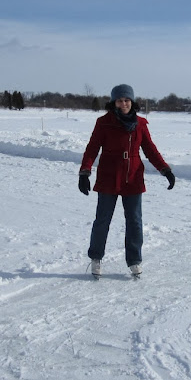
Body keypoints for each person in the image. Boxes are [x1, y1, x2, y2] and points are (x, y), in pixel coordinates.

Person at [78, 84, 175, 279]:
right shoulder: (103, 122)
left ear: (132, 101)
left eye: (127, 100)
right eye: (120, 100)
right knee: (102, 220)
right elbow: (92, 149)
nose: (123, 103)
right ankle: (96, 258)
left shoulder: (140, 124)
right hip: (109, 176)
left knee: (135, 221)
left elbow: (150, 150)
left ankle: (134, 261)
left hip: (133, 177)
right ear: (114, 102)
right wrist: (84, 172)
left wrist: (165, 169)